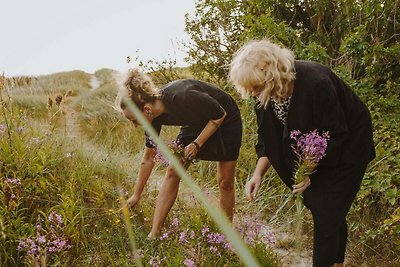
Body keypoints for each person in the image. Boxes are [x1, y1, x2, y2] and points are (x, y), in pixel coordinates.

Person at [229, 39, 375, 267]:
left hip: (348, 145)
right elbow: (268, 138)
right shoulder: (262, 96)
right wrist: (257, 174)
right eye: (249, 88)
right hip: (313, 152)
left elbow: (335, 133)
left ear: (273, 75)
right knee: (328, 209)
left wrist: (309, 170)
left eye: (256, 86)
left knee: (325, 208)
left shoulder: (316, 82)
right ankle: (337, 263)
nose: (253, 93)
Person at [120, 69, 242, 238]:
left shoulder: (182, 96)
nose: (134, 125)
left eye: (133, 120)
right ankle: (154, 234)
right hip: (195, 122)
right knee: (173, 170)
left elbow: (219, 115)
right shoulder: (153, 117)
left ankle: (227, 238)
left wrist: (197, 144)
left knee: (224, 181)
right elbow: (148, 158)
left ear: (147, 109)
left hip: (225, 117)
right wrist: (136, 195)